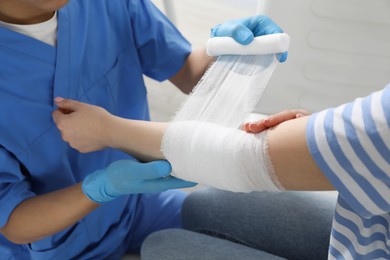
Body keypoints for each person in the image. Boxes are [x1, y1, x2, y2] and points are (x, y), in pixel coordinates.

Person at [0, 0, 285, 258]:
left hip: (138, 203)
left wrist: (228, 50)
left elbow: (187, 72)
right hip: (60, 247)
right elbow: (11, 222)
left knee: (272, 221)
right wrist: (100, 188)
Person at [52, 83, 390, 258]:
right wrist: (316, 138)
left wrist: (109, 130)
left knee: (164, 247)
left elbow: (239, 158)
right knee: (205, 204)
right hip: (375, 232)